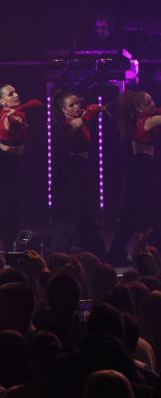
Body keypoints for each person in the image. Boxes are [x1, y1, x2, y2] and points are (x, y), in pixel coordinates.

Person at [0, 84, 42, 253]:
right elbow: (10, 120)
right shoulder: (7, 115)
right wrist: (16, 118)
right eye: (11, 94)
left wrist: (19, 111)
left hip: (11, 166)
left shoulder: (15, 112)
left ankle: (11, 258)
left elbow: (38, 103)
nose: (16, 94)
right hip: (3, 168)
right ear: (2, 102)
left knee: (9, 216)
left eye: (15, 91)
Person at [49, 91, 106, 258]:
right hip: (71, 170)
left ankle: (96, 254)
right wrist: (93, 111)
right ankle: (56, 255)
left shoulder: (78, 120)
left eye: (77, 103)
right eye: (71, 105)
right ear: (64, 110)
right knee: (71, 214)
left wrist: (96, 109)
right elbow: (82, 121)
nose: (76, 106)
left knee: (83, 213)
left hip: (81, 167)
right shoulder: (70, 124)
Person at [108, 90, 161, 266]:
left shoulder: (141, 119)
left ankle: (116, 253)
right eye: (148, 103)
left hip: (141, 170)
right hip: (141, 170)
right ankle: (115, 254)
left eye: (152, 100)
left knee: (139, 216)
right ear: (139, 108)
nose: (153, 104)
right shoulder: (147, 121)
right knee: (140, 216)